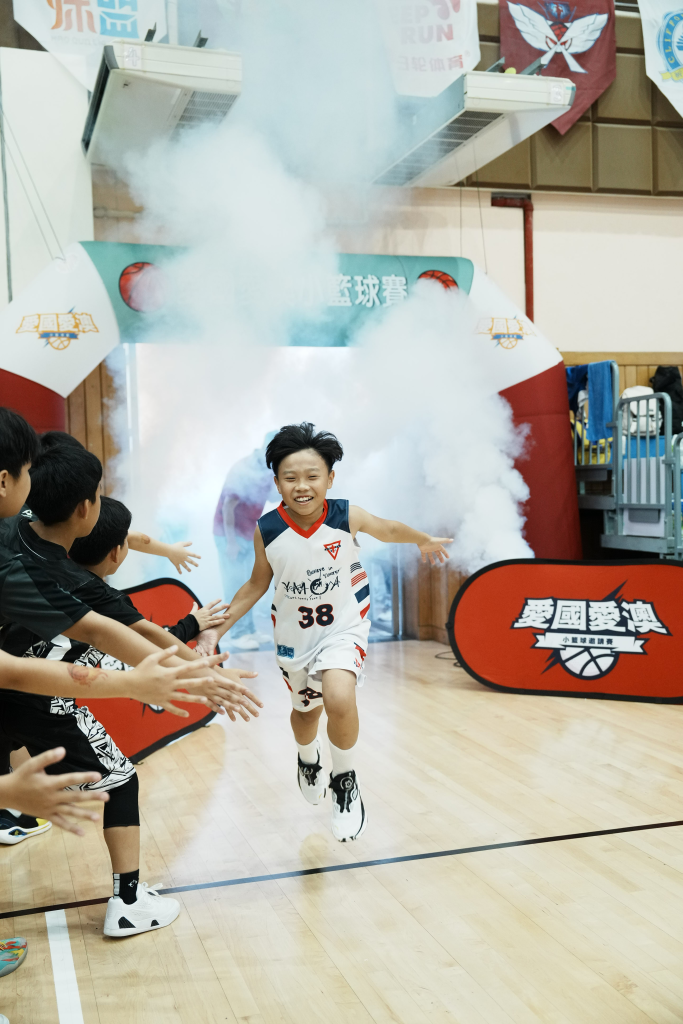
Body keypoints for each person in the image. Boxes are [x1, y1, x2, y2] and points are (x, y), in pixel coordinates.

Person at [0, 431, 260, 938]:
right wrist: (204, 677)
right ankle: (129, 901)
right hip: (41, 696)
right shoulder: (80, 586)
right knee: (121, 780)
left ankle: (13, 812)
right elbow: (131, 635)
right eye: (99, 494)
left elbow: (133, 611)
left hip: (8, 682)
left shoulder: (17, 522)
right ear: (84, 510)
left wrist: (161, 549)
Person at [211, 422, 452, 842]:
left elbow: (388, 528)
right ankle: (308, 760)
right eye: (290, 477)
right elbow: (255, 585)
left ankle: (345, 782)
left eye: (312, 476)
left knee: (339, 695)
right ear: (277, 483)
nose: (302, 486)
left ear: (330, 478)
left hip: (344, 627)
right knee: (306, 715)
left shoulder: (346, 516)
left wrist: (422, 539)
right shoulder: (267, 529)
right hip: (295, 637)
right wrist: (214, 631)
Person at [70, 495, 226, 650]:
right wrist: (193, 623)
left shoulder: (60, 561)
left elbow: (132, 538)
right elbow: (152, 643)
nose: (128, 540)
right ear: (116, 552)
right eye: (125, 541)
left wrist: (170, 551)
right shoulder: (109, 602)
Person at [213, 435, 278, 650]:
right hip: (228, 534)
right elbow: (228, 507)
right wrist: (231, 542)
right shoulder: (243, 470)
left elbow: (271, 497)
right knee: (235, 583)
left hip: (249, 533)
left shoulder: (267, 468)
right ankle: (237, 633)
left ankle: (249, 630)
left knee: (250, 583)